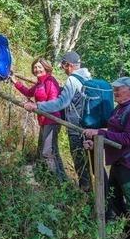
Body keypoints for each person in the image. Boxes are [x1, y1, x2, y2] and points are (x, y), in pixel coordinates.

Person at [82, 76, 130, 239]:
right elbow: (111, 134)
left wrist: (99, 133)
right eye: (115, 89)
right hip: (117, 162)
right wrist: (95, 143)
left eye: (118, 89)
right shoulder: (119, 109)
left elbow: (127, 138)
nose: (115, 92)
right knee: (114, 199)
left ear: (129, 90)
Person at [23, 51, 93, 192]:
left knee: (77, 156)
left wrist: (38, 106)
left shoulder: (72, 80)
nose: (63, 69)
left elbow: (61, 102)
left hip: (75, 125)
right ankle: (91, 193)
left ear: (69, 65)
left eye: (64, 66)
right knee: (87, 160)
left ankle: (73, 188)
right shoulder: (87, 78)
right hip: (89, 125)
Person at [10, 58, 68, 184]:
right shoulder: (39, 83)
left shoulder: (50, 81)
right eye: (35, 67)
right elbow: (28, 92)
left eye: (40, 67)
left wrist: (37, 105)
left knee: (47, 152)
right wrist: (15, 81)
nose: (37, 69)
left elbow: (54, 101)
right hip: (43, 120)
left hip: (52, 119)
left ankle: (57, 183)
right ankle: (63, 181)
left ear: (46, 67)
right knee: (52, 151)